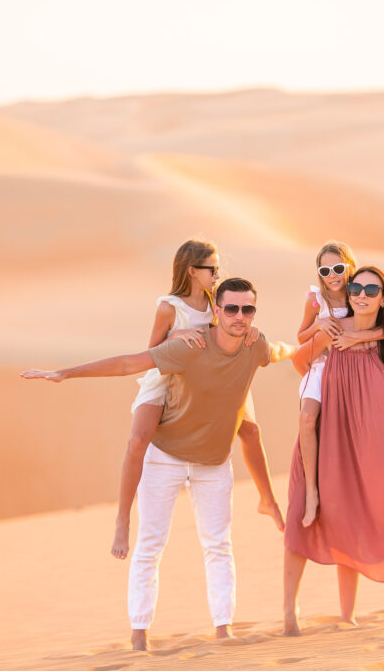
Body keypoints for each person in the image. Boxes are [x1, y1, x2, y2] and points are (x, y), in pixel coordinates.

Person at [22, 278, 295, 651]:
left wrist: (314, 343)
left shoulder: (254, 345)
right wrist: (65, 372)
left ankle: (223, 628)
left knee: (218, 545)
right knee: (150, 545)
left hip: (213, 464)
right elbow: (126, 364)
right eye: (231, 308)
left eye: (248, 309)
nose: (240, 316)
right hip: (165, 458)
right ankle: (139, 633)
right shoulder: (190, 347)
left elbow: (281, 350)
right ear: (216, 311)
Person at [282, 266, 384, 636]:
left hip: (362, 442)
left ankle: (347, 615)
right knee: (299, 515)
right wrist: (324, 372)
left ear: (383, 297)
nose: (360, 294)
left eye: (370, 290)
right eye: (356, 287)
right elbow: (298, 361)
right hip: (326, 433)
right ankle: (290, 614)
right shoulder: (335, 329)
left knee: (349, 517)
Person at [111, 239, 265, 560]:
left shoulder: (217, 302)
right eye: (212, 268)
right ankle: (123, 519)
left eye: (218, 267)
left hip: (203, 382)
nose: (217, 273)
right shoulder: (169, 306)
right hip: (166, 379)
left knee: (250, 428)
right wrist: (176, 336)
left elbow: (230, 329)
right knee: (138, 440)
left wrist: (248, 332)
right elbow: (151, 351)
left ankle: (266, 499)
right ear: (193, 271)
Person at [294, 242, 384, 528]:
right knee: (308, 417)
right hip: (322, 367)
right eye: (325, 270)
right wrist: (320, 326)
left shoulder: (360, 292)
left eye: (337, 268)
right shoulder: (315, 299)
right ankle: (311, 492)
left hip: (355, 369)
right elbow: (301, 337)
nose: (332, 275)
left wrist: (356, 338)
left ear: (348, 266)